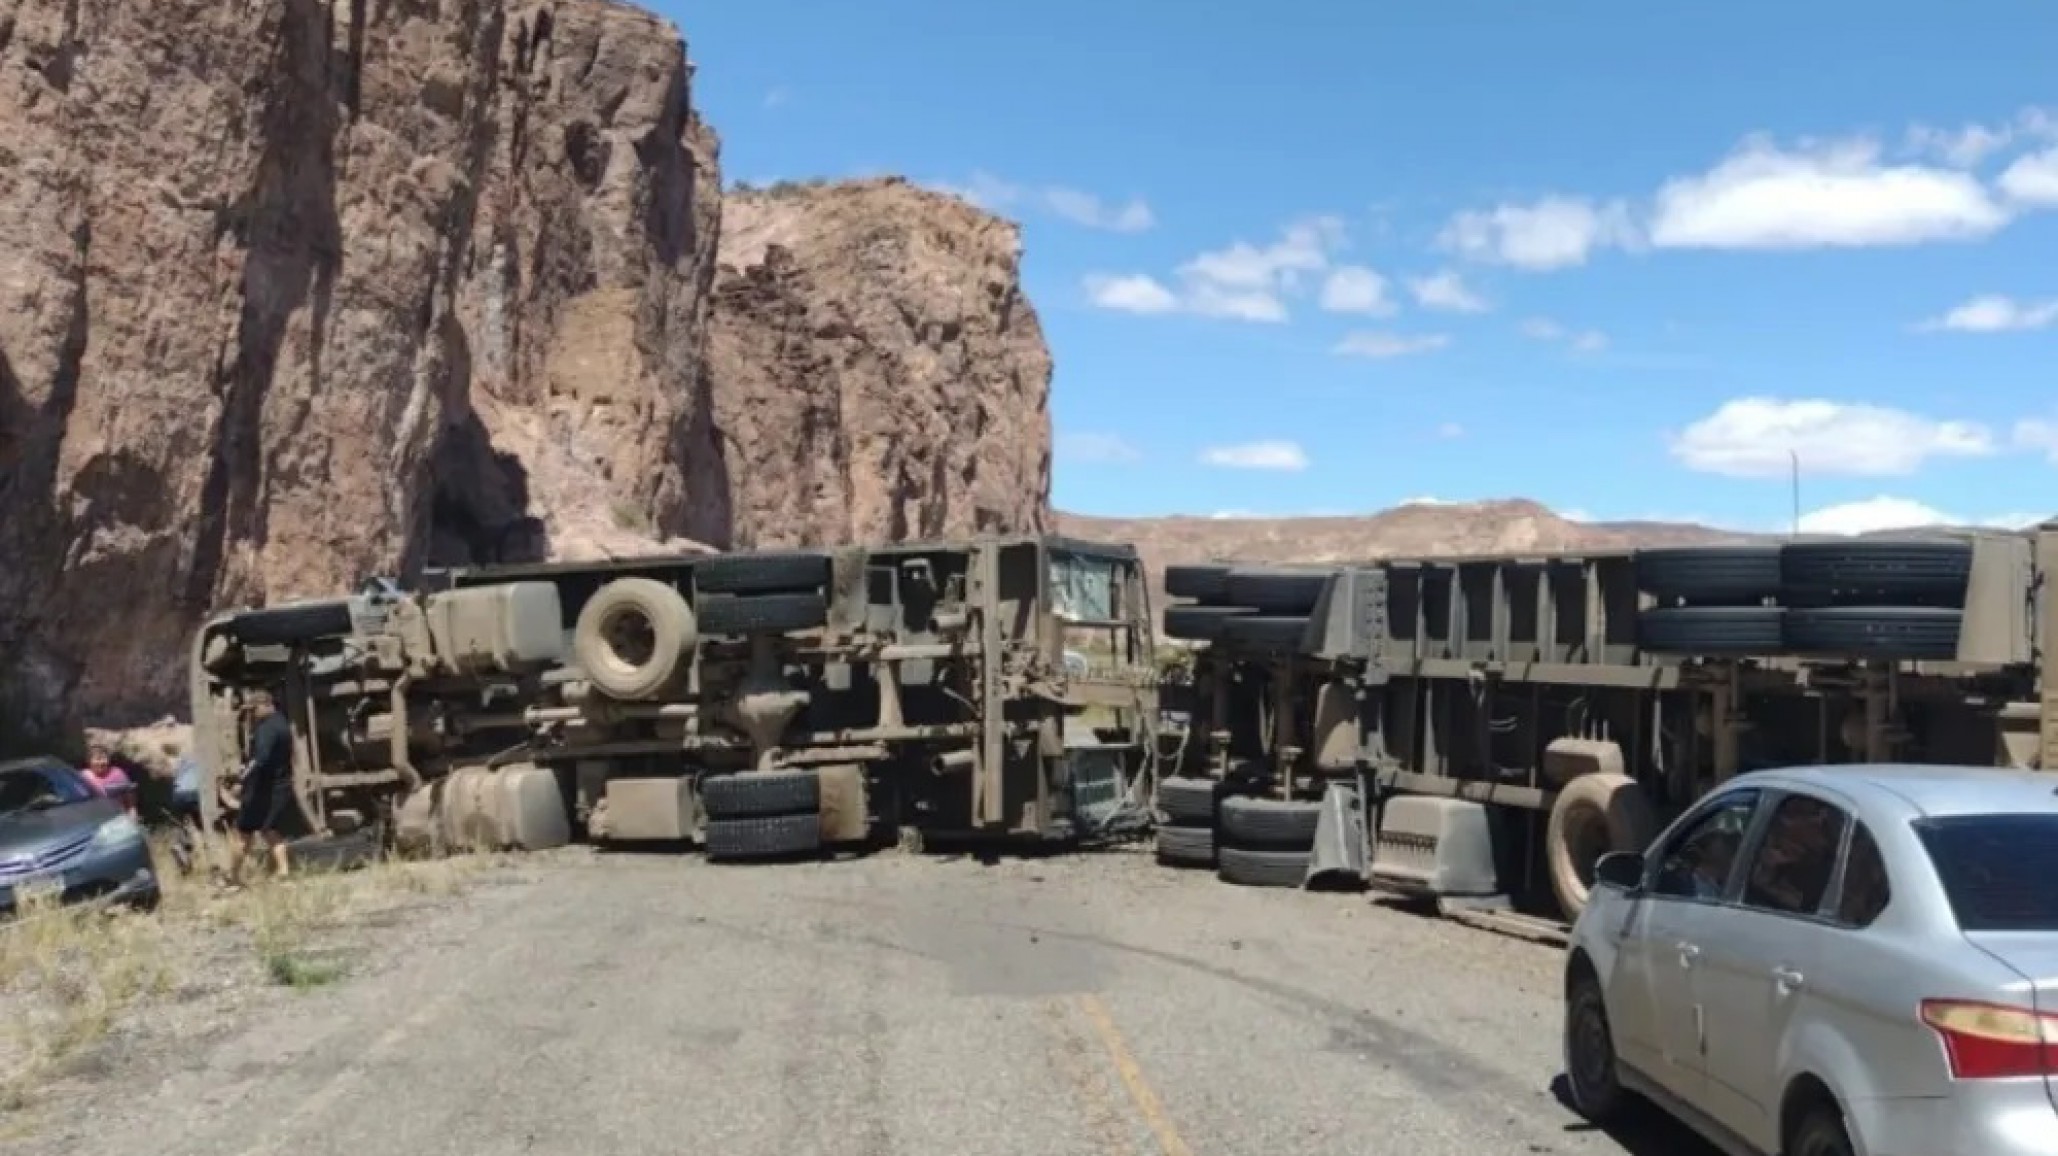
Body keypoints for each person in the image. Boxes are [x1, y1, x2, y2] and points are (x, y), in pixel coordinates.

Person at [226, 689, 295, 885]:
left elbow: (260, 759)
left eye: (254, 709)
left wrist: (241, 780)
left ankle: (234, 877)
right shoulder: (282, 723)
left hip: (262, 788)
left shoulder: (267, 728)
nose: (252, 714)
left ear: (266, 705)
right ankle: (283, 873)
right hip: (280, 785)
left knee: (242, 831)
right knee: (269, 829)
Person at [81, 744, 136, 813]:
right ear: (89, 761)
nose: (101, 763)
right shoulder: (84, 776)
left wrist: (132, 810)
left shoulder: (117, 773)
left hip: (119, 814)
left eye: (104, 759)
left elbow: (129, 793)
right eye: (97, 759)